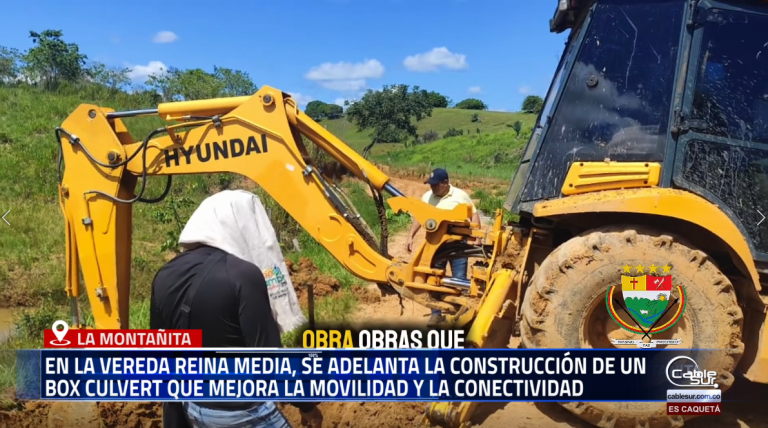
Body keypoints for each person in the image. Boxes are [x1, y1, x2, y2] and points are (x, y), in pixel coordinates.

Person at [150, 189, 323, 428]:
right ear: (242, 226)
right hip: (242, 411)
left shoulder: (164, 274)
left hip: (194, 408)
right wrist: (308, 407)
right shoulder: (241, 274)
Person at [405, 168, 481, 326]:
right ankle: (436, 314)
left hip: (458, 246)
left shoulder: (460, 196)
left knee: (459, 280)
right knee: (433, 279)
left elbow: (473, 214)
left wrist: (477, 237)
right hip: (435, 247)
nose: (432, 188)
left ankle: (460, 312)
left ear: (446, 183)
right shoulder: (427, 197)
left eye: (435, 185)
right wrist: (410, 236)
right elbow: (420, 217)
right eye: (430, 185)